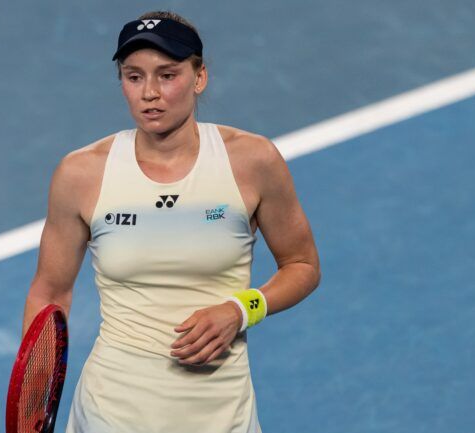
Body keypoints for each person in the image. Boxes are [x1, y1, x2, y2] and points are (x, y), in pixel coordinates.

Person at [21, 10, 321, 433]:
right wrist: (34, 399)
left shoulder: (252, 162)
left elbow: (303, 266)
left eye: (167, 75)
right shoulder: (82, 174)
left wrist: (241, 309)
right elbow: (49, 293)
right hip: (112, 409)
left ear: (199, 77)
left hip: (223, 413)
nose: (150, 93)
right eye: (134, 76)